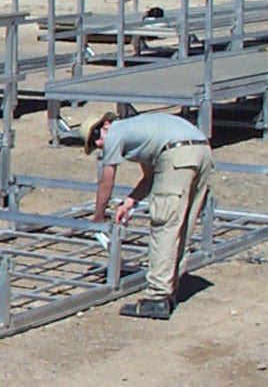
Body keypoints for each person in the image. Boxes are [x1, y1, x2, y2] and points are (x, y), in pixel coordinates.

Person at [86, 111, 213, 320]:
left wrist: (98, 216)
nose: (99, 144)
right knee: (182, 224)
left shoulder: (116, 132)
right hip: (201, 151)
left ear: (106, 124)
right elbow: (150, 178)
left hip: (177, 155)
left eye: (96, 136)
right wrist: (130, 201)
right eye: (93, 144)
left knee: (165, 225)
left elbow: (106, 180)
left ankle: (157, 298)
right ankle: (170, 287)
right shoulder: (140, 133)